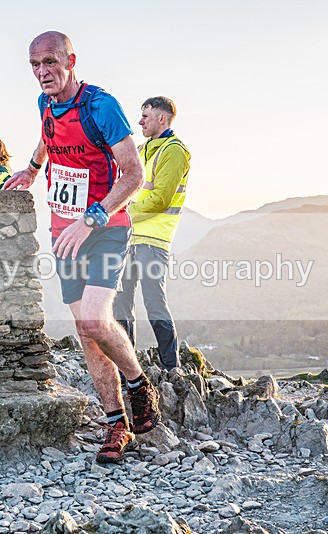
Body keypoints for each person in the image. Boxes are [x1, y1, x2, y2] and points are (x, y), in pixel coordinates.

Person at [4, 31, 161, 464]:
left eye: (50, 62)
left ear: (71, 61)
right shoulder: (45, 103)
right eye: (35, 65)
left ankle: (138, 383)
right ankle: (116, 424)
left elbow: (134, 175)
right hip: (63, 232)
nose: (42, 72)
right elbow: (48, 135)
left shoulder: (101, 106)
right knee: (85, 331)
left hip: (104, 227)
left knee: (95, 317)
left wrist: (91, 217)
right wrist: (32, 170)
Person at [113, 97, 190, 371]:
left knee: (154, 303)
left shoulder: (174, 151)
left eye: (145, 116)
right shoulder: (142, 149)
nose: (140, 121)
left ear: (162, 118)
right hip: (127, 238)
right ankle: (127, 368)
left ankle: (171, 369)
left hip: (153, 241)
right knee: (120, 303)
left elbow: (161, 200)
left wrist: (122, 214)